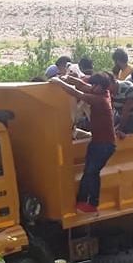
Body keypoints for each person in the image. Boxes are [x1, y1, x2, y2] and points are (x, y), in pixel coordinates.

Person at [50, 73, 116, 214]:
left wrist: (58, 82)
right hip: (98, 142)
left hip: (104, 145)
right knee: (89, 172)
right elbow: (82, 85)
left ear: (100, 87)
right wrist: (69, 78)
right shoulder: (103, 93)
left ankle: (92, 203)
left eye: (94, 85)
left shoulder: (99, 100)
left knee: (91, 172)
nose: (91, 87)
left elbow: (77, 93)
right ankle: (82, 201)